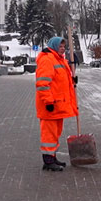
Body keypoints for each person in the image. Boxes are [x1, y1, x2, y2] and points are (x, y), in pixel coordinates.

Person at [35, 36, 78, 171]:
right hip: (50, 105)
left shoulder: (59, 59)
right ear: (53, 46)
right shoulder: (47, 60)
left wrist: (72, 80)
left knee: (55, 133)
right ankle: (48, 161)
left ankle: (52, 157)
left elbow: (61, 80)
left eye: (64, 47)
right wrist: (48, 101)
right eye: (60, 46)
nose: (63, 48)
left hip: (58, 105)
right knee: (49, 134)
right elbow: (42, 84)